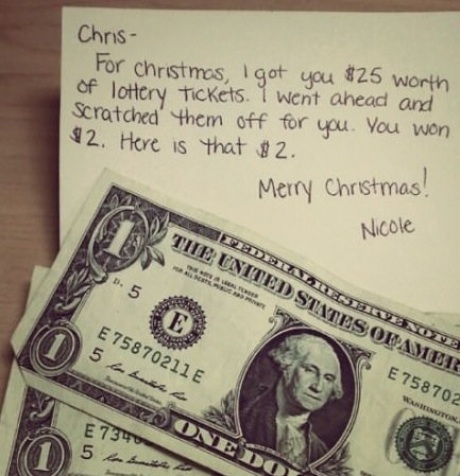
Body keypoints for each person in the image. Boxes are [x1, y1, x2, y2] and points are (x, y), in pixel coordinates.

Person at [240, 333, 343, 467]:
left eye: (328, 378)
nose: (317, 387)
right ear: (286, 366)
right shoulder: (243, 415)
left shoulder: (320, 452)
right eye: (310, 370)